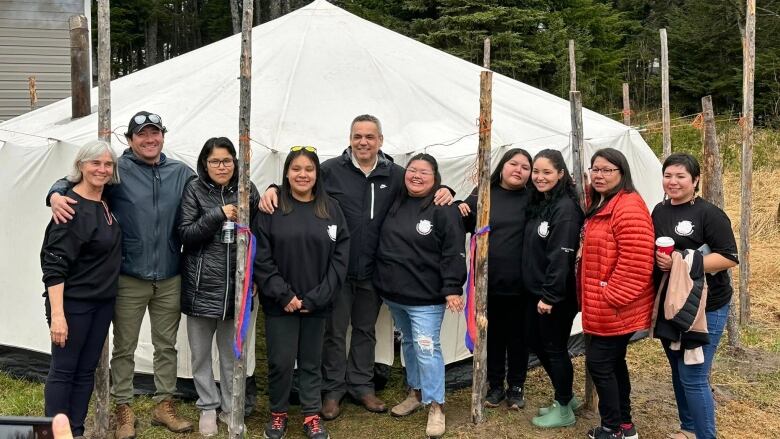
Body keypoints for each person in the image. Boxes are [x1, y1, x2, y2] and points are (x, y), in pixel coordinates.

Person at [259, 114, 454, 419]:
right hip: (335, 269)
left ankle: (362, 386)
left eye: (370, 137)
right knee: (334, 331)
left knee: (366, 329)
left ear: (380, 140)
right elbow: (299, 179)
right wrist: (271, 186)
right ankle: (333, 389)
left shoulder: (396, 174)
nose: (363, 142)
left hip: (376, 270)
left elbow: (422, 184)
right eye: (357, 136)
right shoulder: (330, 170)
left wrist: (448, 191)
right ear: (350, 138)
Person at [48, 111, 195, 437]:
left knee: (166, 345)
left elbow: (214, 187)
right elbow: (72, 181)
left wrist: (268, 188)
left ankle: (163, 404)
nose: (149, 139)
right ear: (130, 140)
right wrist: (54, 194)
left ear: (163, 136)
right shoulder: (116, 170)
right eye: (141, 134)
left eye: (155, 132)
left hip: (169, 274)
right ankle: (123, 408)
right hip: (128, 275)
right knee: (125, 346)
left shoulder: (180, 172)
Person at [252, 146, 350, 439]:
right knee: (281, 362)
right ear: (286, 173)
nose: (302, 174)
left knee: (311, 361)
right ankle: (278, 414)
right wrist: (285, 296)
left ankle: (311, 415)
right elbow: (262, 257)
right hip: (280, 303)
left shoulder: (331, 209)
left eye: (309, 169)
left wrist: (317, 297)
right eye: (296, 169)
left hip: (317, 303)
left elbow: (340, 257)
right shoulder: (272, 208)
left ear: (317, 173)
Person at [373, 153, 466, 439]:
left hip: (426, 298)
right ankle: (415, 393)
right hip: (395, 294)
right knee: (410, 345)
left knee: (427, 349)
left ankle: (436, 405)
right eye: (412, 170)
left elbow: (453, 250)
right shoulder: (396, 201)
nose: (416, 175)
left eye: (424, 172)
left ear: (435, 177)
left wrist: (452, 287)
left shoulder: (443, 208)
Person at [652, 153, 738, 439]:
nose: (673, 182)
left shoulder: (708, 214)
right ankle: (688, 429)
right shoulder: (659, 212)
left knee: (693, 375)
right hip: (673, 305)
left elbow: (728, 257)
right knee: (678, 371)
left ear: (696, 180)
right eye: (668, 175)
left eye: (681, 176)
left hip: (706, 307)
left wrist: (681, 261)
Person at [178, 137, 260, 436]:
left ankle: (229, 407)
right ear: (205, 163)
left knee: (231, 355)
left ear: (235, 162)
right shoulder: (194, 189)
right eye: (215, 161)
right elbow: (186, 234)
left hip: (236, 288)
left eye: (227, 160)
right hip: (201, 286)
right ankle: (207, 407)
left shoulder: (247, 189)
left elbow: (260, 235)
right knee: (200, 355)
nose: (221, 166)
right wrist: (218, 214)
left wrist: (255, 280)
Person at [40, 140, 121, 438]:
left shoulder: (104, 200)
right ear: (80, 166)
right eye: (95, 163)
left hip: (101, 304)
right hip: (73, 304)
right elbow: (54, 265)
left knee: (86, 370)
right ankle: (54, 433)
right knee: (64, 370)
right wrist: (58, 315)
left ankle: (74, 431)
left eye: (107, 164)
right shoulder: (69, 207)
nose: (102, 169)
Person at [579, 148, 655, 439]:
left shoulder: (628, 207)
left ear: (622, 173)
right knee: (613, 363)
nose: (599, 175)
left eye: (607, 170)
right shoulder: (603, 202)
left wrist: (610, 295)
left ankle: (612, 428)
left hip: (614, 305)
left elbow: (636, 262)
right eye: (595, 169)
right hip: (604, 304)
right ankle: (625, 425)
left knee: (599, 364)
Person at [458, 148, 532, 410]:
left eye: (525, 167)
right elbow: (463, 217)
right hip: (489, 282)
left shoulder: (532, 197)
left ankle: (516, 386)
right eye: (514, 163)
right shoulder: (485, 193)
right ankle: (496, 386)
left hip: (522, 283)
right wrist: (456, 202)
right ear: (503, 166)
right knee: (494, 336)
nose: (519, 170)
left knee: (518, 338)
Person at [521, 149, 584, 428]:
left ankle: (564, 407)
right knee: (538, 342)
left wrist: (550, 295)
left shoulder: (565, 209)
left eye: (547, 172)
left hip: (556, 295)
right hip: (538, 290)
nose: (539, 177)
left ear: (561, 174)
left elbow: (562, 255)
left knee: (555, 347)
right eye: (536, 171)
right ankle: (566, 397)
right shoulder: (543, 202)